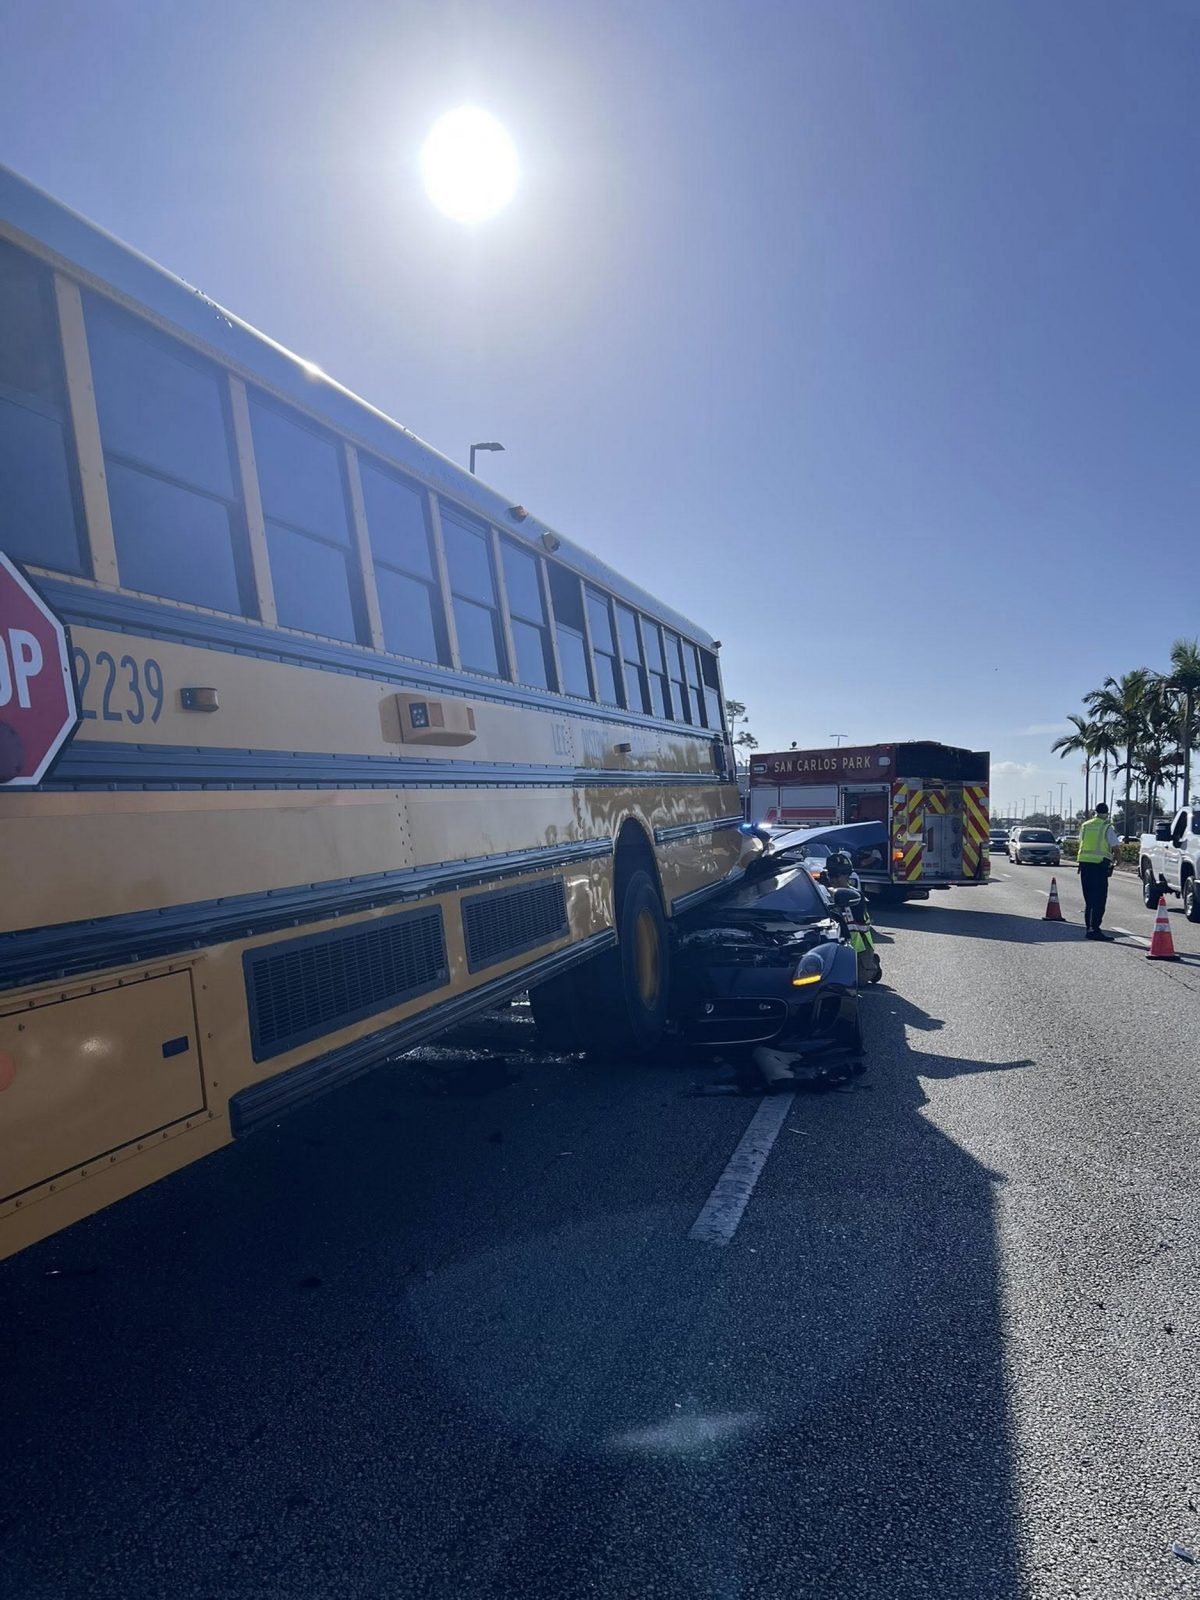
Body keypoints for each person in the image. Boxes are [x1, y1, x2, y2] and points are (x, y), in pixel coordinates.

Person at [825, 850, 883, 984]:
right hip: (834, 944)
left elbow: (839, 895)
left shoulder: (855, 895)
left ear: (847, 875)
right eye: (830, 875)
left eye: (837, 875)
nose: (833, 879)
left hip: (858, 948)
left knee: (856, 981)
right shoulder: (825, 894)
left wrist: (826, 890)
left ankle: (873, 966)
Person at [1076, 801, 1120, 940]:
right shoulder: (1106, 827)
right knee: (1099, 900)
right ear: (1107, 813)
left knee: (1089, 900)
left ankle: (1090, 928)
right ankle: (1094, 929)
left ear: (1095, 812)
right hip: (1099, 867)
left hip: (1084, 866)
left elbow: (1081, 842)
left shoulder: (1085, 825)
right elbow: (1115, 847)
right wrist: (1118, 861)